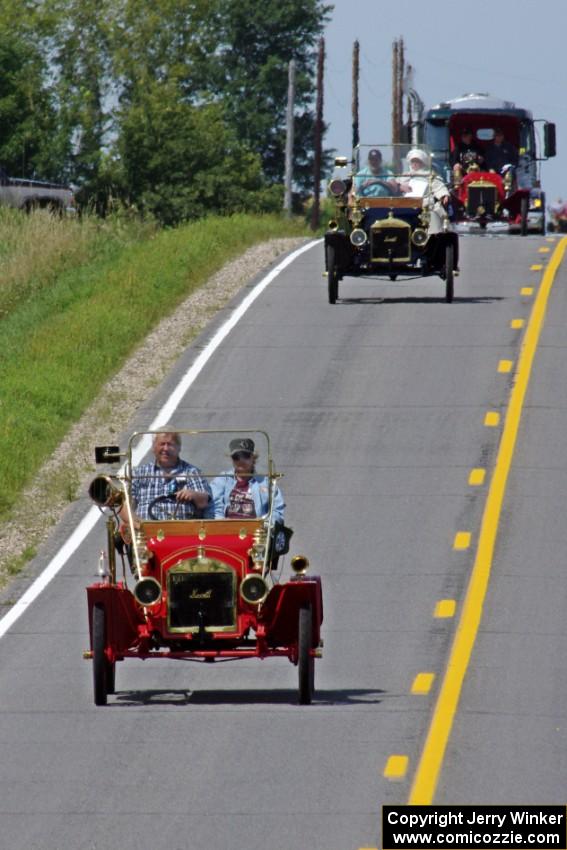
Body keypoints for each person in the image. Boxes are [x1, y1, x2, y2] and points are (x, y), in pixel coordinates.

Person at [126, 430, 212, 521]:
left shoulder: (192, 472)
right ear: (153, 448)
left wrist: (193, 494)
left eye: (170, 444)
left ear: (179, 448)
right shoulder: (140, 473)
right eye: (162, 444)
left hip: (181, 530)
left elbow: (204, 502)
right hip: (145, 529)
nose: (165, 449)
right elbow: (125, 505)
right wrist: (136, 523)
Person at [211, 438, 285, 524]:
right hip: (227, 529)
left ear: (253, 458)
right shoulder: (222, 480)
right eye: (236, 457)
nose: (241, 460)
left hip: (257, 531)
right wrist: (221, 522)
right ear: (232, 459)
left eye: (245, 456)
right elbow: (213, 505)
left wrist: (263, 522)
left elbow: (277, 511)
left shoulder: (266, 483)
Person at [399, 148, 451, 235]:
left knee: (433, 214)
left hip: (425, 205)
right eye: (413, 161)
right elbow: (395, 187)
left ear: (422, 163)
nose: (414, 164)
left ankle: (433, 236)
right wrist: (400, 187)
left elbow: (439, 186)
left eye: (417, 161)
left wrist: (444, 195)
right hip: (406, 205)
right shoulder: (405, 176)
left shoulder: (430, 175)